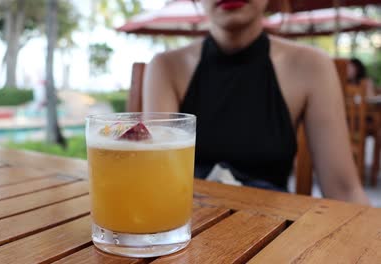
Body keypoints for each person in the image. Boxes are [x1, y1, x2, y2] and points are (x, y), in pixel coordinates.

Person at [142, 0, 369, 204]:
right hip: (191, 231)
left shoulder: (311, 66)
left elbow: (344, 191)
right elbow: (157, 178)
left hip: (273, 234)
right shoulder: (167, 67)